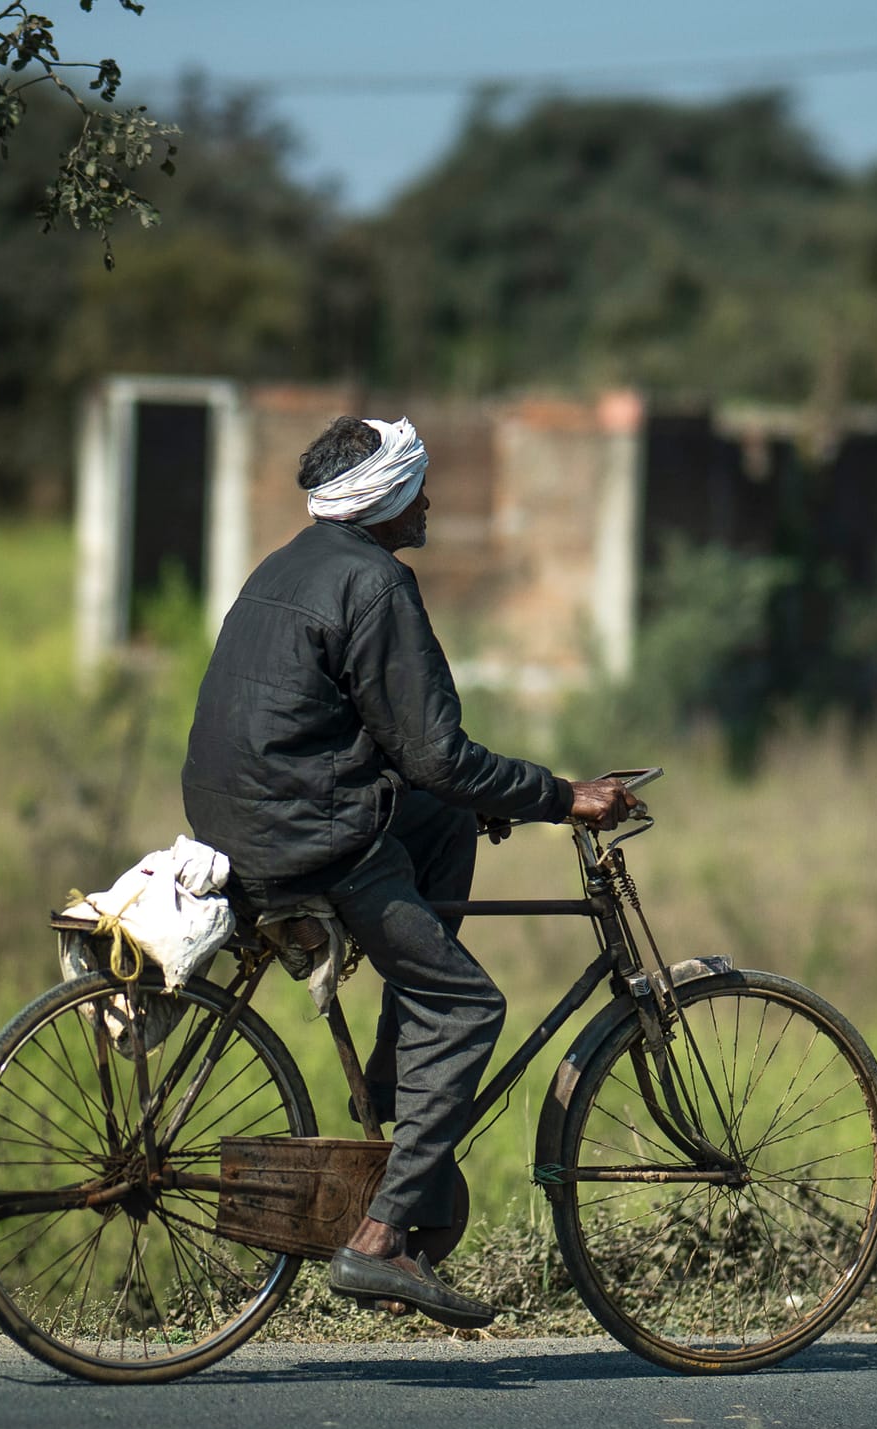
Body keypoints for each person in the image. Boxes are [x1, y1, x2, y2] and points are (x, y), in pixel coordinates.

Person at [182, 413, 637, 1328]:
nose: (427, 501)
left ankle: (397, 1092)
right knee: (471, 1003)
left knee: (446, 825)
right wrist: (561, 796)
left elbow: (408, 768)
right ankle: (381, 1239)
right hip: (310, 834)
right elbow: (435, 753)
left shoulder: (288, 565)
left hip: (239, 815)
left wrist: (483, 798)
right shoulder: (378, 583)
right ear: (386, 500)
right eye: (417, 488)